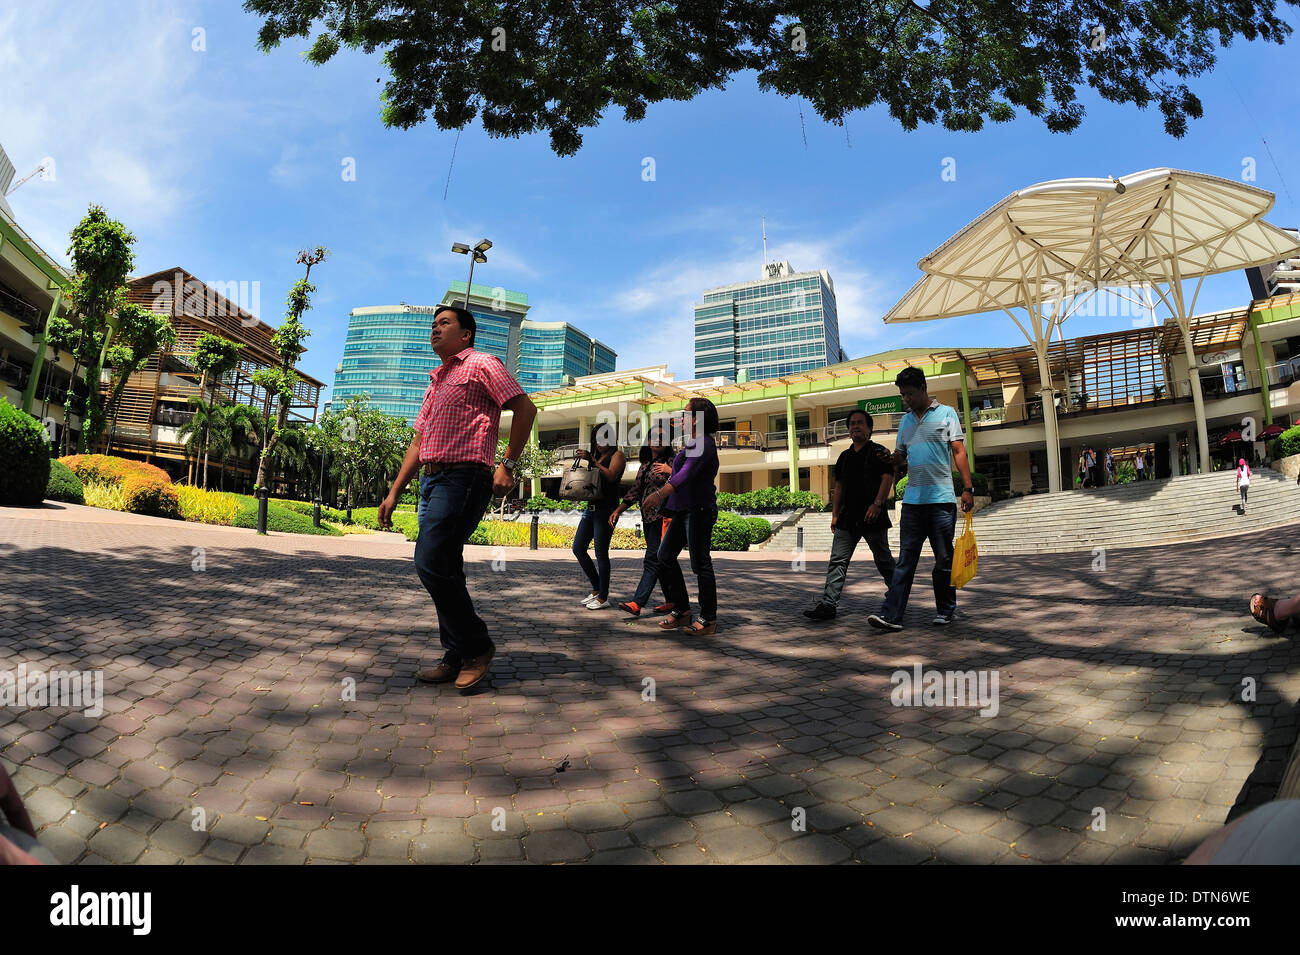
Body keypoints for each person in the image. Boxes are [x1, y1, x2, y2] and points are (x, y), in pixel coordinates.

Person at [378, 304, 536, 691]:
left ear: (466, 334)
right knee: (445, 567)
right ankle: (456, 654)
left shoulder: (483, 363)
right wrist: (394, 491)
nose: (435, 329)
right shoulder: (436, 380)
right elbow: (419, 439)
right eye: (433, 324)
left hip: (464, 477)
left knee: (430, 561)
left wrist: (508, 464)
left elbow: (524, 408)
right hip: (432, 482)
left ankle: (477, 647)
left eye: (444, 323)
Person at [867, 367, 974, 632]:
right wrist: (893, 459)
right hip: (913, 503)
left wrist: (968, 487)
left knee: (943, 560)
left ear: (923, 389)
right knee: (905, 561)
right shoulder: (904, 422)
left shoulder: (947, 413)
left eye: (910, 394)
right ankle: (891, 616)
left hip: (940, 502)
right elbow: (901, 457)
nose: (907, 399)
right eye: (903, 395)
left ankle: (946, 610)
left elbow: (958, 451)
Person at [804, 408, 896, 620]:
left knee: (883, 560)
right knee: (837, 561)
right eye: (852, 423)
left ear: (869, 428)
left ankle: (897, 594)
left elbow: (887, 478)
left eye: (860, 423)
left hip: (873, 516)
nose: (855, 427)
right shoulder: (844, 457)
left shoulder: (879, 452)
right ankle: (828, 604)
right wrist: (834, 514)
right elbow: (839, 488)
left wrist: (877, 504)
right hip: (847, 518)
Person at [644, 396, 720, 635]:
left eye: (686, 414)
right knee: (664, 556)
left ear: (697, 419)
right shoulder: (693, 443)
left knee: (700, 564)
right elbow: (680, 472)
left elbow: (684, 475)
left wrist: (658, 495)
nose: (681, 418)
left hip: (698, 510)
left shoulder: (704, 443)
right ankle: (683, 610)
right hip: (682, 510)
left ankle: (708, 618)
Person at [615, 425, 676, 617]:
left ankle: (637, 603)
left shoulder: (671, 461)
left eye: (662, 437)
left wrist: (670, 470)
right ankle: (672, 601)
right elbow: (635, 491)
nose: (658, 440)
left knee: (652, 559)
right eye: (654, 437)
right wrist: (618, 510)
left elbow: (683, 480)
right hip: (648, 519)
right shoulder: (645, 465)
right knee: (661, 561)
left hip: (664, 517)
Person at [571, 425, 627, 609]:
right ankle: (596, 589)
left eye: (603, 438)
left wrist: (593, 462)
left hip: (606, 510)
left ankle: (603, 596)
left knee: (601, 553)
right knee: (578, 548)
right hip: (591, 508)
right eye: (596, 438)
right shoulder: (598, 456)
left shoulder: (617, 455)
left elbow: (611, 476)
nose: (599, 442)